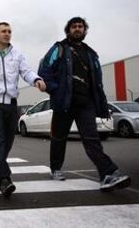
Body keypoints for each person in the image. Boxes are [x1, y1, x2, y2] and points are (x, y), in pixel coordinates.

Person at [38, 17, 130, 192]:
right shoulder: (59, 49)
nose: (78, 29)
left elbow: (97, 82)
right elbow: (44, 72)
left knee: (92, 140)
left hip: (85, 104)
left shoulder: (91, 54)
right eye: (74, 27)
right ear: (68, 30)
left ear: (85, 30)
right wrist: (56, 90)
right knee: (59, 138)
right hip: (64, 102)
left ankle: (108, 173)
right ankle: (56, 168)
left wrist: (100, 103)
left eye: (81, 27)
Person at [0, 22, 46, 197]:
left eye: (9, 31)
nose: (7, 34)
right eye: (3, 31)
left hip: (12, 103)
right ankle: (4, 180)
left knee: (8, 142)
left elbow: (26, 71)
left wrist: (36, 80)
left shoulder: (17, 54)